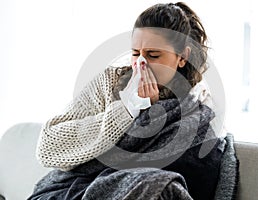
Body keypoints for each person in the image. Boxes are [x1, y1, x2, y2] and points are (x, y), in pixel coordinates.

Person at [29, 2, 229, 200]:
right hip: (75, 187)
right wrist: (128, 108)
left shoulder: (196, 105)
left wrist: (153, 115)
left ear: (183, 57)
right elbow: (48, 146)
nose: (140, 63)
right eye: (135, 53)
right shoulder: (109, 83)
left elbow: (196, 170)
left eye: (153, 55)